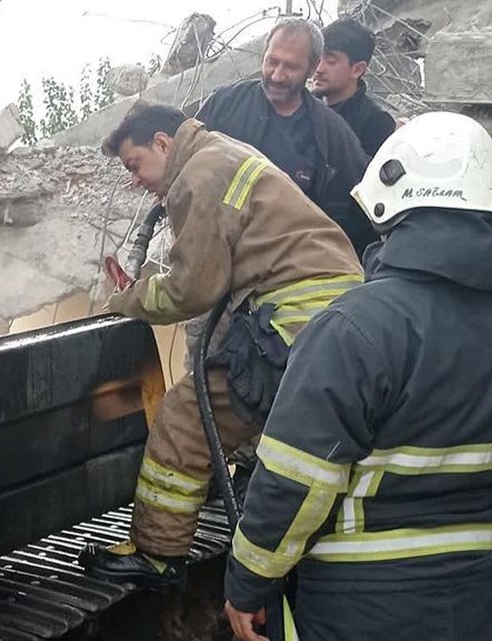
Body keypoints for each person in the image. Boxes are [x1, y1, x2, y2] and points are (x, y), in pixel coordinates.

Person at [223, 112, 492, 641]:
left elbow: (296, 478)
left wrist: (249, 581)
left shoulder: (353, 329)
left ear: (395, 207)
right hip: (469, 602)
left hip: (358, 610)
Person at [80, 103, 363, 589]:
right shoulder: (227, 153)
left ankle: (157, 554)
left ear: (163, 143)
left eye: (135, 164)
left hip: (295, 321)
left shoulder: (199, 175)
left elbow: (194, 290)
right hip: (338, 317)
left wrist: (129, 300)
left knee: (185, 418)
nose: (135, 180)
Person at [196, 18, 376, 257]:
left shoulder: (331, 133)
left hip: (284, 267)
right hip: (211, 251)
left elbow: (362, 204)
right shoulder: (224, 103)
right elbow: (182, 156)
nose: (278, 75)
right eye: (272, 62)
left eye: (291, 67)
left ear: (312, 68)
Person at [312, 18, 398, 157]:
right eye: (318, 59)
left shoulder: (375, 123)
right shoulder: (302, 106)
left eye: (331, 61)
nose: (319, 69)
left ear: (357, 69)